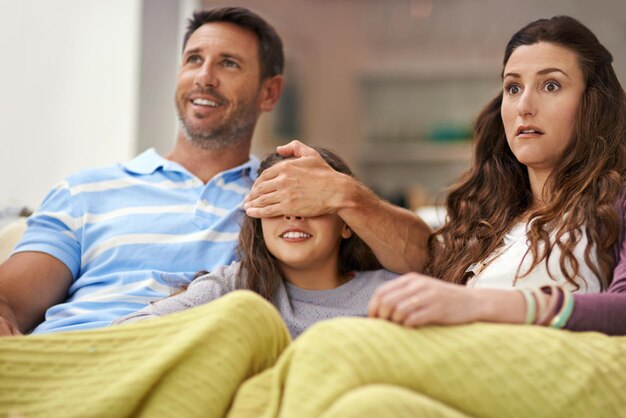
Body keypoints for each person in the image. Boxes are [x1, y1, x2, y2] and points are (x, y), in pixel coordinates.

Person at [224, 15, 626, 418]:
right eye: (513, 87)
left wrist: (479, 305)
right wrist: (343, 195)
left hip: (560, 372)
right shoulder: (494, 222)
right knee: (358, 406)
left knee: (332, 347)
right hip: (477, 379)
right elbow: (421, 253)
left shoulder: (617, 200)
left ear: (594, 102)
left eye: (551, 85)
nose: (524, 105)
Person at [114, 148, 396, 338]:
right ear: (259, 220)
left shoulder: (389, 293)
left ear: (347, 224)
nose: (292, 213)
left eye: (310, 201)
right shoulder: (234, 288)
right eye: (275, 200)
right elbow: (126, 332)